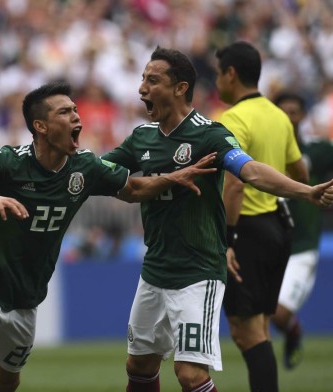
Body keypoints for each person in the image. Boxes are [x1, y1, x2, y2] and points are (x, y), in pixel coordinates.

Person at [0, 81, 220, 392]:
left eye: (75, 110)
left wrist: (172, 179)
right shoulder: (12, 161)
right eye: (64, 112)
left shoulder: (85, 167)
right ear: (40, 126)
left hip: (25, 299)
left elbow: (133, 190)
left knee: (4, 383)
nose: (76, 117)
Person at [100, 46, 333, 392]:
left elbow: (250, 171)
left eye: (153, 80)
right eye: (142, 79)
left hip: (198, 272)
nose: (141, 89)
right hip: (155, 270)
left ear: (180, 88)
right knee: (139, 363)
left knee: (191, 374)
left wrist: (305, 191)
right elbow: (102, 172)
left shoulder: (210, 134)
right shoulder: (141, 138)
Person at [214, 41, 310, 391]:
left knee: (246, 333)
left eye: (217, 75)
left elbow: (235, 184)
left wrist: (227, 240)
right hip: (276, 228)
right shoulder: (278, 115)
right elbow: (299, 171)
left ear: (231, 74)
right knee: (262, 328)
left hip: (246, 231)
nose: (216, 83)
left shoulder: (234, 119)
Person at [271, 92, 333, 370]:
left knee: (279, 314)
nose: (288, 117)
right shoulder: (265, 153)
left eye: (294, 111)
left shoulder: (317, 150)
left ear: (302, 116)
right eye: (282, 111)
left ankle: (293, 330)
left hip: (302, 245)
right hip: (271, 241)